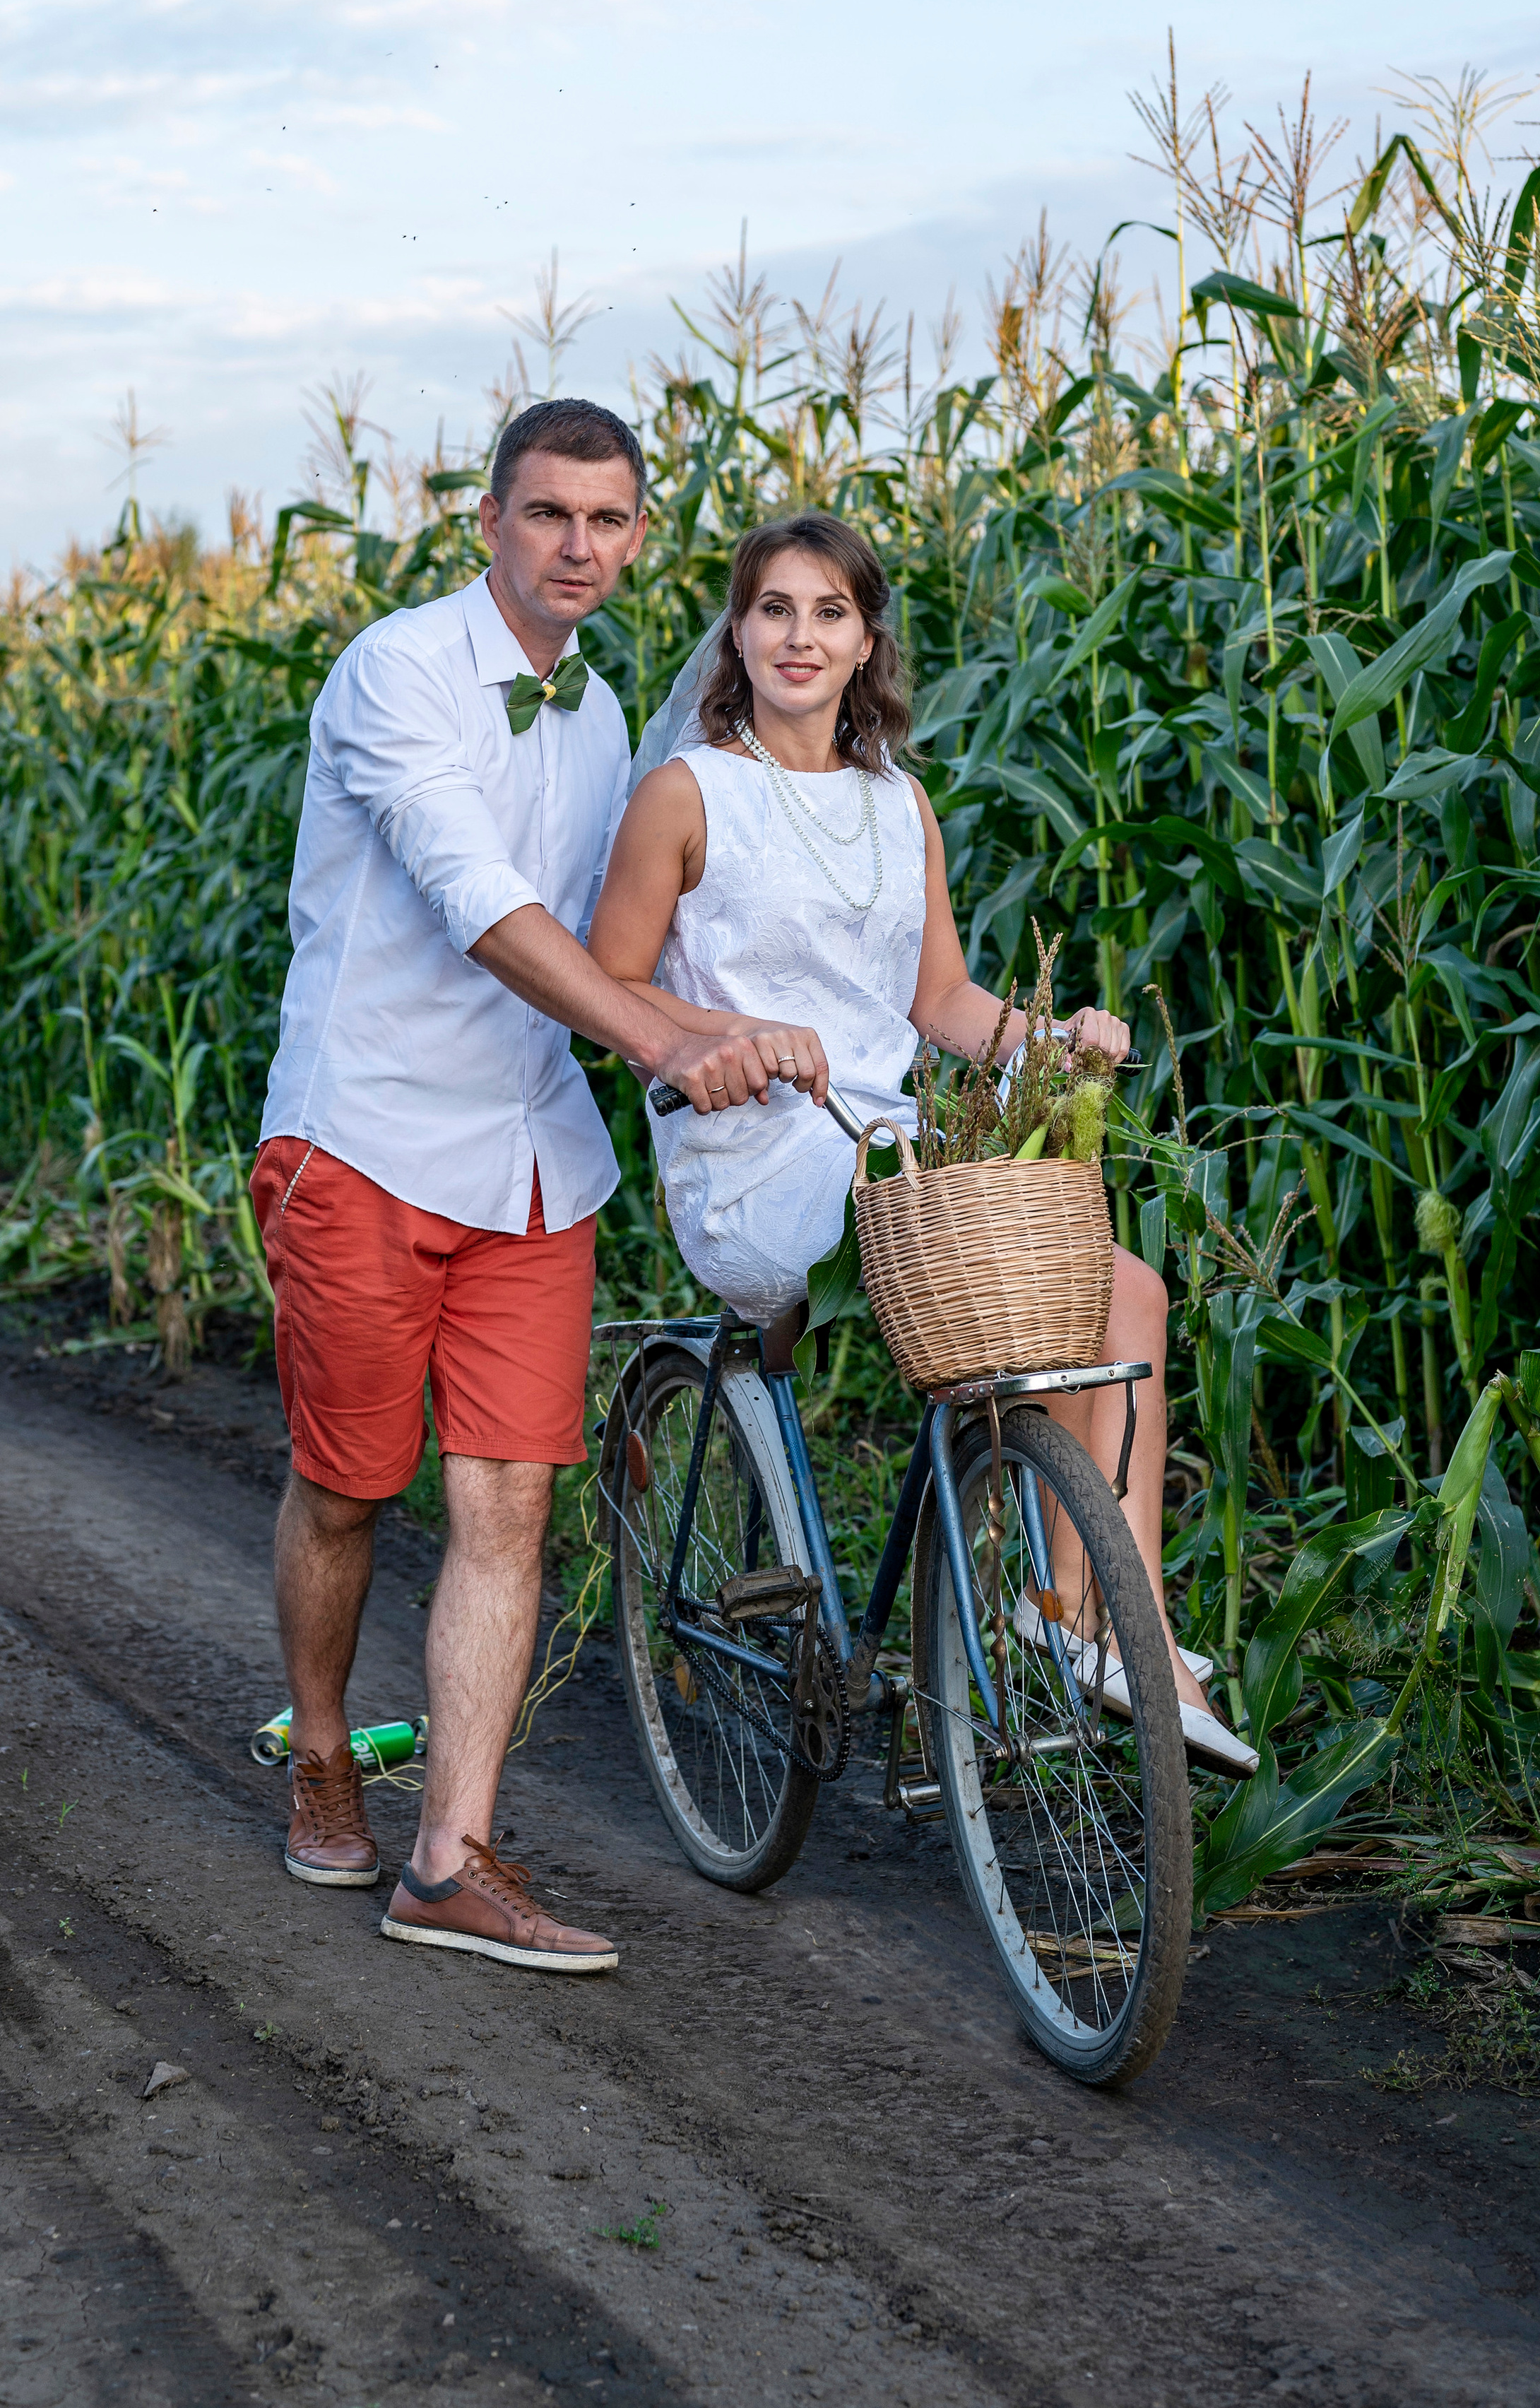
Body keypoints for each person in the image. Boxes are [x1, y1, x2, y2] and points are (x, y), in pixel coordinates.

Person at [253, 400, 826, 1973]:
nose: (580, 544)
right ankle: (320, 1749)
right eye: (549, 513)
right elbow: (485, 908)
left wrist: (749, 1034)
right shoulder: (397, 673)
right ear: (487, 522)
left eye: (611, 519)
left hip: (526, 1166)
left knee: (508, 1501)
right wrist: (658, 1036)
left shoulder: (599, 719)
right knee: (350, 1486)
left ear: (639, 538)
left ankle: (449, 1857)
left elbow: (611, 949)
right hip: (363, 1141)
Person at [588, 508, 1256, 1773]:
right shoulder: (689, 796)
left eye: (829, 612)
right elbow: (611, 986)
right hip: (751, 1156)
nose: (800, 635)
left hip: (884, 1145)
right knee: (1010, 1281)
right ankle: (1044, 1606)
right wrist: (741, 1029)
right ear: (737, 631)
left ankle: (1107, 1617)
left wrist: (1051, 1039)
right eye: (775, 608)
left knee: (1128, 1290)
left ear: (864, 641)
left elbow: (938, 1004)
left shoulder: (902, 804)